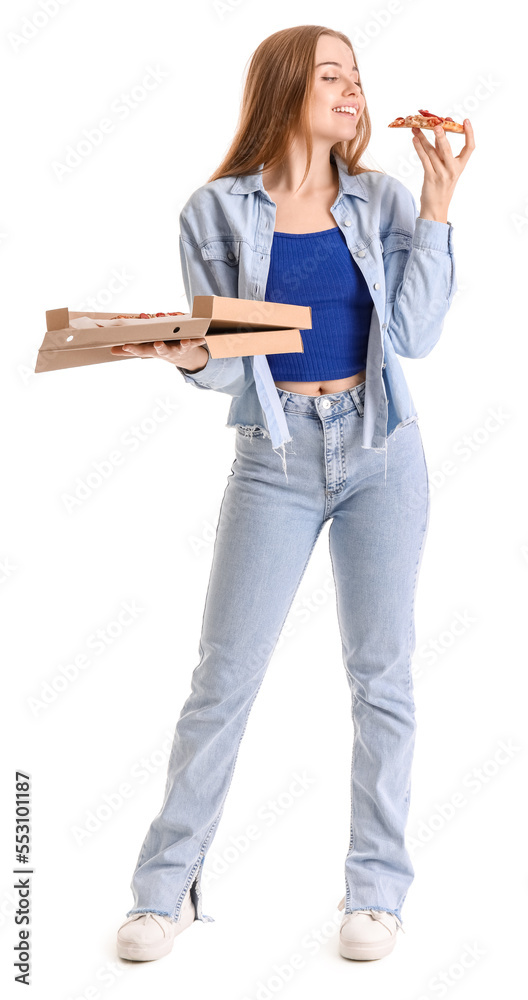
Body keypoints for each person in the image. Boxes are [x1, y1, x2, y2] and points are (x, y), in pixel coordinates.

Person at [114, 24, 475, 964]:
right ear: (285, 87)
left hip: (381, 450)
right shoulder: (215, 212)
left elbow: (416, 335)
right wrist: (194, 357)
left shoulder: (385, 201)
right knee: (223, 678)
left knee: (382, 676)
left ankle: (377, 893)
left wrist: (437, 206)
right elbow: (232, 371)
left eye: (358, 76)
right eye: (332, 75)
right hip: (274, 460)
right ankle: (167, 890)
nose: (354, 90)